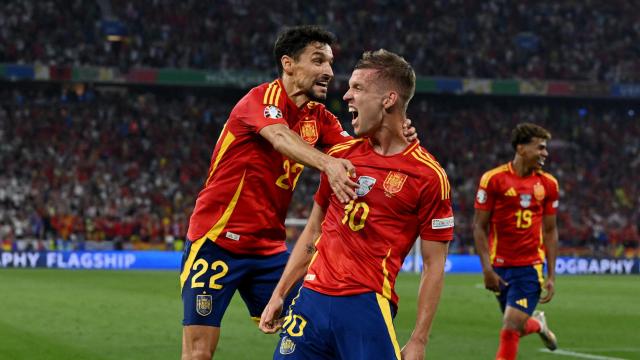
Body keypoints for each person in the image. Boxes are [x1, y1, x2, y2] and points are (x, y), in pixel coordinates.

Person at [180, 26, 416, 359]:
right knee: (199, 352)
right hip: (216, 242)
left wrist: (392, 132)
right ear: (288, 64)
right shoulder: (259, 100)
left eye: (331, 63)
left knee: (315, 332)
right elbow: (279, 138)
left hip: (269, 251)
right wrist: (327, 164)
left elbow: (356, 150)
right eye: (318, 60)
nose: (329, 72)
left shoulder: (318, 118)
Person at [259, 49, 453, 360]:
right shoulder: (340, 157)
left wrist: (419, 339)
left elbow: (434, 264)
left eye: (358, 88)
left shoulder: (428, 176)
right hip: (311, 301)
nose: (347, 95)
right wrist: (279, 293)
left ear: (388, 100)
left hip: (366, 306)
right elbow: (312, 232)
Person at [473, 123, 560, 360]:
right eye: (540, 147)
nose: (545, 153)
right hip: (500, 268)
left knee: (511, 326)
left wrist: (551, 275)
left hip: (530, 269)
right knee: (516, 326)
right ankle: (538, 325)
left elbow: (550, 231)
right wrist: (487, 269)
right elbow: (479, 227)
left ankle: (534, 324)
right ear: (521, 149)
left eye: (546, 148)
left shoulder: (548, 184)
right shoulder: (493, 180)